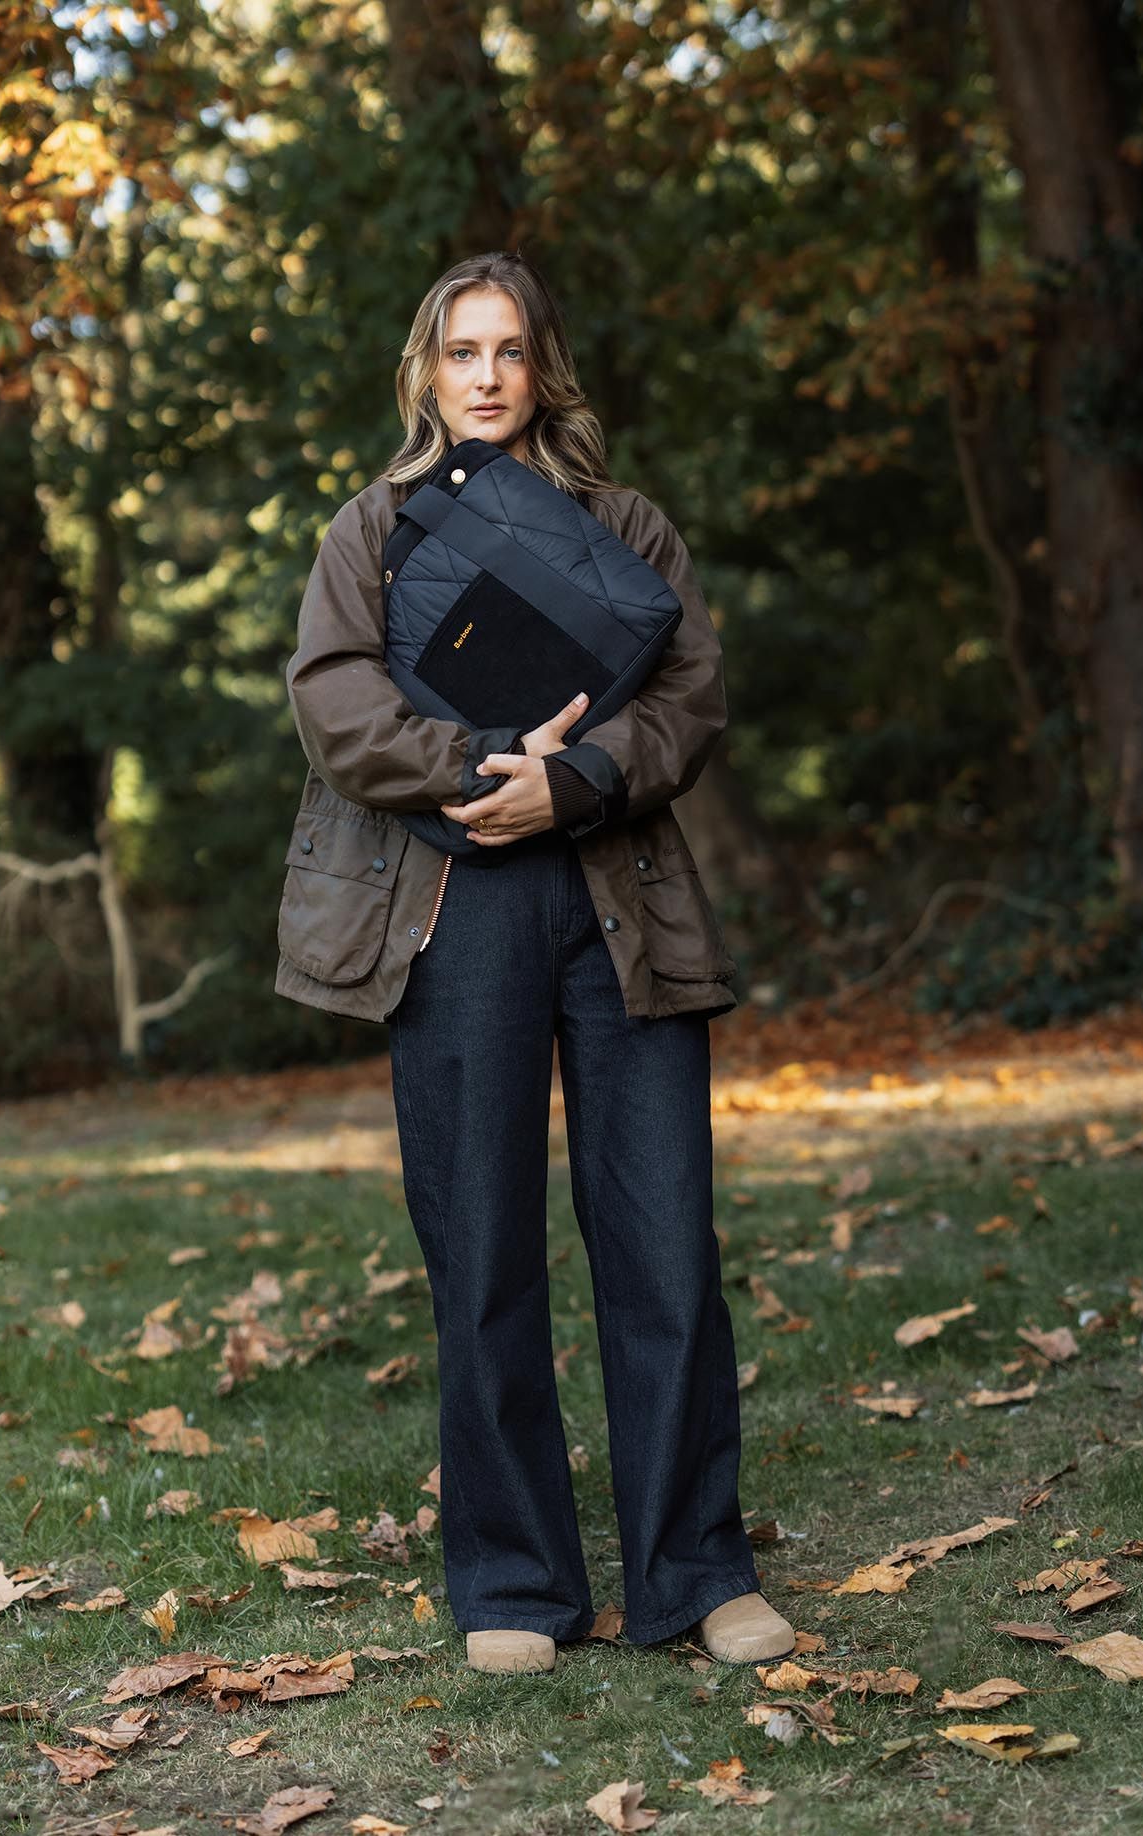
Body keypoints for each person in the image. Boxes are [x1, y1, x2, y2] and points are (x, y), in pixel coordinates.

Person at [275, 251, 796, 1676]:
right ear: (426, 373)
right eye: (461, 352)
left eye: (509, 349)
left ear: (542, 363)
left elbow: (692, 702)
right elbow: (333, 705)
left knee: (664, 1247)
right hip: (453, 914)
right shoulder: (369, 537)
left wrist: (572, 791)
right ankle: (514, 1582)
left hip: (615, 899)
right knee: (483, 1250)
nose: (488, 375)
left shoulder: (629, 528)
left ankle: (697, 1573)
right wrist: (477, 767)